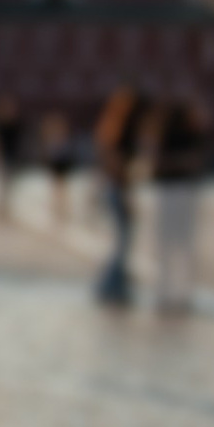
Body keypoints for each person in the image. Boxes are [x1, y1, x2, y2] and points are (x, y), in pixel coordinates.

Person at [149, 95, 207, 315]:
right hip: (176, 191)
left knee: (177, 244)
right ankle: (171, 291)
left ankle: (177, 291)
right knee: (174, 244)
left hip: (178, 192)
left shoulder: (189, 134)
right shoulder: (175, 135)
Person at [92, 86, 142, 307]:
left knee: (122, 239)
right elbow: (115, 163)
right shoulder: (120, 131)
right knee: (123, 240)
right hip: (117, 189)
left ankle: (114, 285)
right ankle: (111, 286)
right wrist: (125, 194)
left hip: (114, 188)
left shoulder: (112, 128)